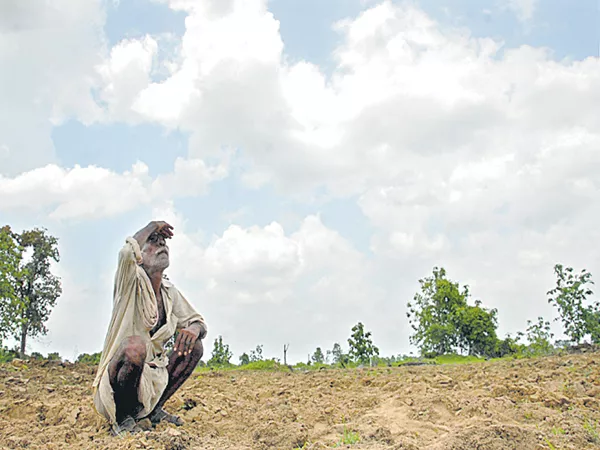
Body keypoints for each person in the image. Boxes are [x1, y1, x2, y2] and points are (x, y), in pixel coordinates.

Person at [92, 221, 208, 435]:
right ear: (140, 257)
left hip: (153, 380)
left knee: (196, 346)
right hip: (117, 381)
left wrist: (193, 330)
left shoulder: (169, 292)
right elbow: (127, 252)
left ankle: (153, 411)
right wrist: (152, 226)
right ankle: (123, 418)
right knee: (135, 347)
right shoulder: (130, 282)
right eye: (153, 242)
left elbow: (198, 321)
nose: (161, 244)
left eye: (163, 242)